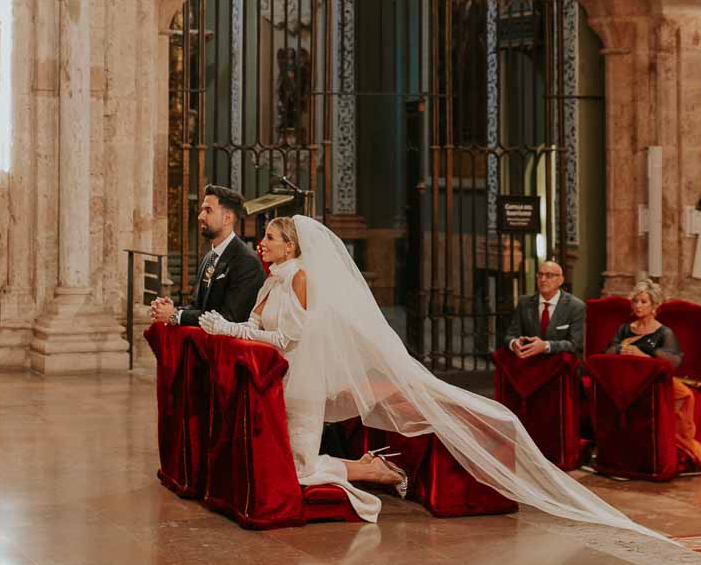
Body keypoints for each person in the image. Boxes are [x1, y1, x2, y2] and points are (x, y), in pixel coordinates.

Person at [198, 214, 659, 533]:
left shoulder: (299, 278)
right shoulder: (272, 279)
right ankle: (370, 469)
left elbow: (288, 339)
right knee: (288, 464)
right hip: (279, 380)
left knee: (298, 468)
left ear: (291, 245)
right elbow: (259, 327)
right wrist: (224, 327)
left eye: (271, 238)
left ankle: (373, 473)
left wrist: (230, 330)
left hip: (302, 380)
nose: (263, 243)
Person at [607, 277, 701, 472]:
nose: (638, 306)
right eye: (635, 301)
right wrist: (621, 350)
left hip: (653, 381)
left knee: (685, 396)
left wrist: (644, 355)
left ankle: (675, 441)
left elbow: (672, 362)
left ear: (654, 305)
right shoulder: (624, 329)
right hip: (627, 381)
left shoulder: (664, 333)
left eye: (643, 302)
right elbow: (608, 352)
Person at [150, 183, 263, 328]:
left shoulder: (246, 261)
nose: (200, 216)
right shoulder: (209, 256)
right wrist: (170, 310)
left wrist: (176, 316)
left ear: (227, 218)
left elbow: (230, 318)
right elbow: (199, 307)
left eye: (208, 210)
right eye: (202, 210)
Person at [501, 258, 585, 359]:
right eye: (540, 275)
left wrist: (545, 346)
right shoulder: (524, 302)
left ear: (560, 280)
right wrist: (514, 343)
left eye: (549, 275)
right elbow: (509, 336)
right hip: (528, 361)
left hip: (557, 363)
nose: (543, 279)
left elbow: (575, 345)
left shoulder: (575, 306)